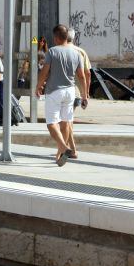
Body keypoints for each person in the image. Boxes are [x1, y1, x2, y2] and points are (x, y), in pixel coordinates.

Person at [35, 24, 87, 167]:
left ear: (56, 37)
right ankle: (60, 154)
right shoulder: (77, 54)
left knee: (51, 123)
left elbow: (44, 72)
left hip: (54, 91)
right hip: (70, 91)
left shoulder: (52, 52)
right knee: (66, 122)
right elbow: (82, 77)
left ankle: (63, 148)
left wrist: (38, 87)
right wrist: (84, 95)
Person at [65, 29, 92, 158]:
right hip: (76, 92)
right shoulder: (81, 52)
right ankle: (65, 147)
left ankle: (71, 149)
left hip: (66, 91)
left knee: (66, 121)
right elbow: (87, 74)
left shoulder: (58, 50)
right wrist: (85, 94)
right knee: (67, 120)